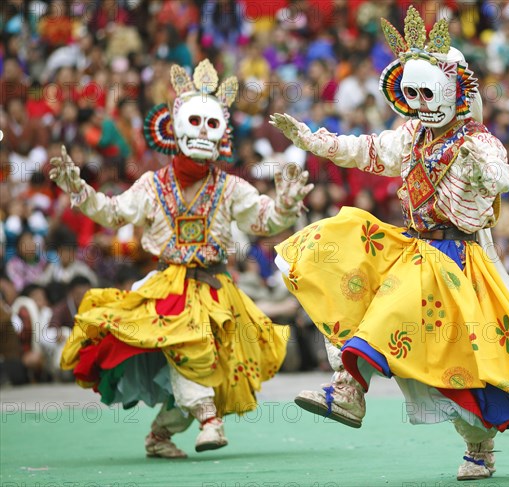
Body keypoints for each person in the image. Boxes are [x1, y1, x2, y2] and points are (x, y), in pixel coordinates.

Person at [271, 7, 509, 481]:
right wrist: (312, 140)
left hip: (458, 261)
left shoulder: (478, 140)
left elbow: (502, 177)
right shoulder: (412, 136)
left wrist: (481, 171)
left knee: (466, 368)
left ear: (453, 91)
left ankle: (477, 448)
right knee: (339, 248)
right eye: (412, 92)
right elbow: (365, 150)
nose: (421, 101)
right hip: (415, 250)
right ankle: (348, 386)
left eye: (430, 91)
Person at [49, 60, 312, 458]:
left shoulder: (230, 187)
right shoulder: (152, 185)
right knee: (189, 350)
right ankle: (209, 420)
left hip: (214, 288)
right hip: (168, 288)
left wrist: (287, 205)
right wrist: (79, 190)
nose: (203, 132)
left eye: (212, 124)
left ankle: (160, 435)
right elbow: (114, 213)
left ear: (222, 131)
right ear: (172, 127)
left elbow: (265, 219)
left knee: (216, 365)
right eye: (196, 121)